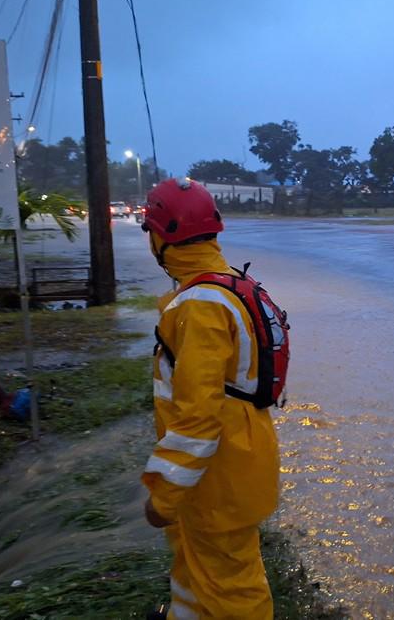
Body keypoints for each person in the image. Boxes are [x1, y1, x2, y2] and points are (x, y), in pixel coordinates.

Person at [140, 178, 280, 620]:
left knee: (233, 589)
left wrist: (163, 497)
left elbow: (197, 420)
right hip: (239, 456)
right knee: (197, 566)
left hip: (218, 474)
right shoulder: (233, 284)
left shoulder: (198, 305)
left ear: (162, 238)